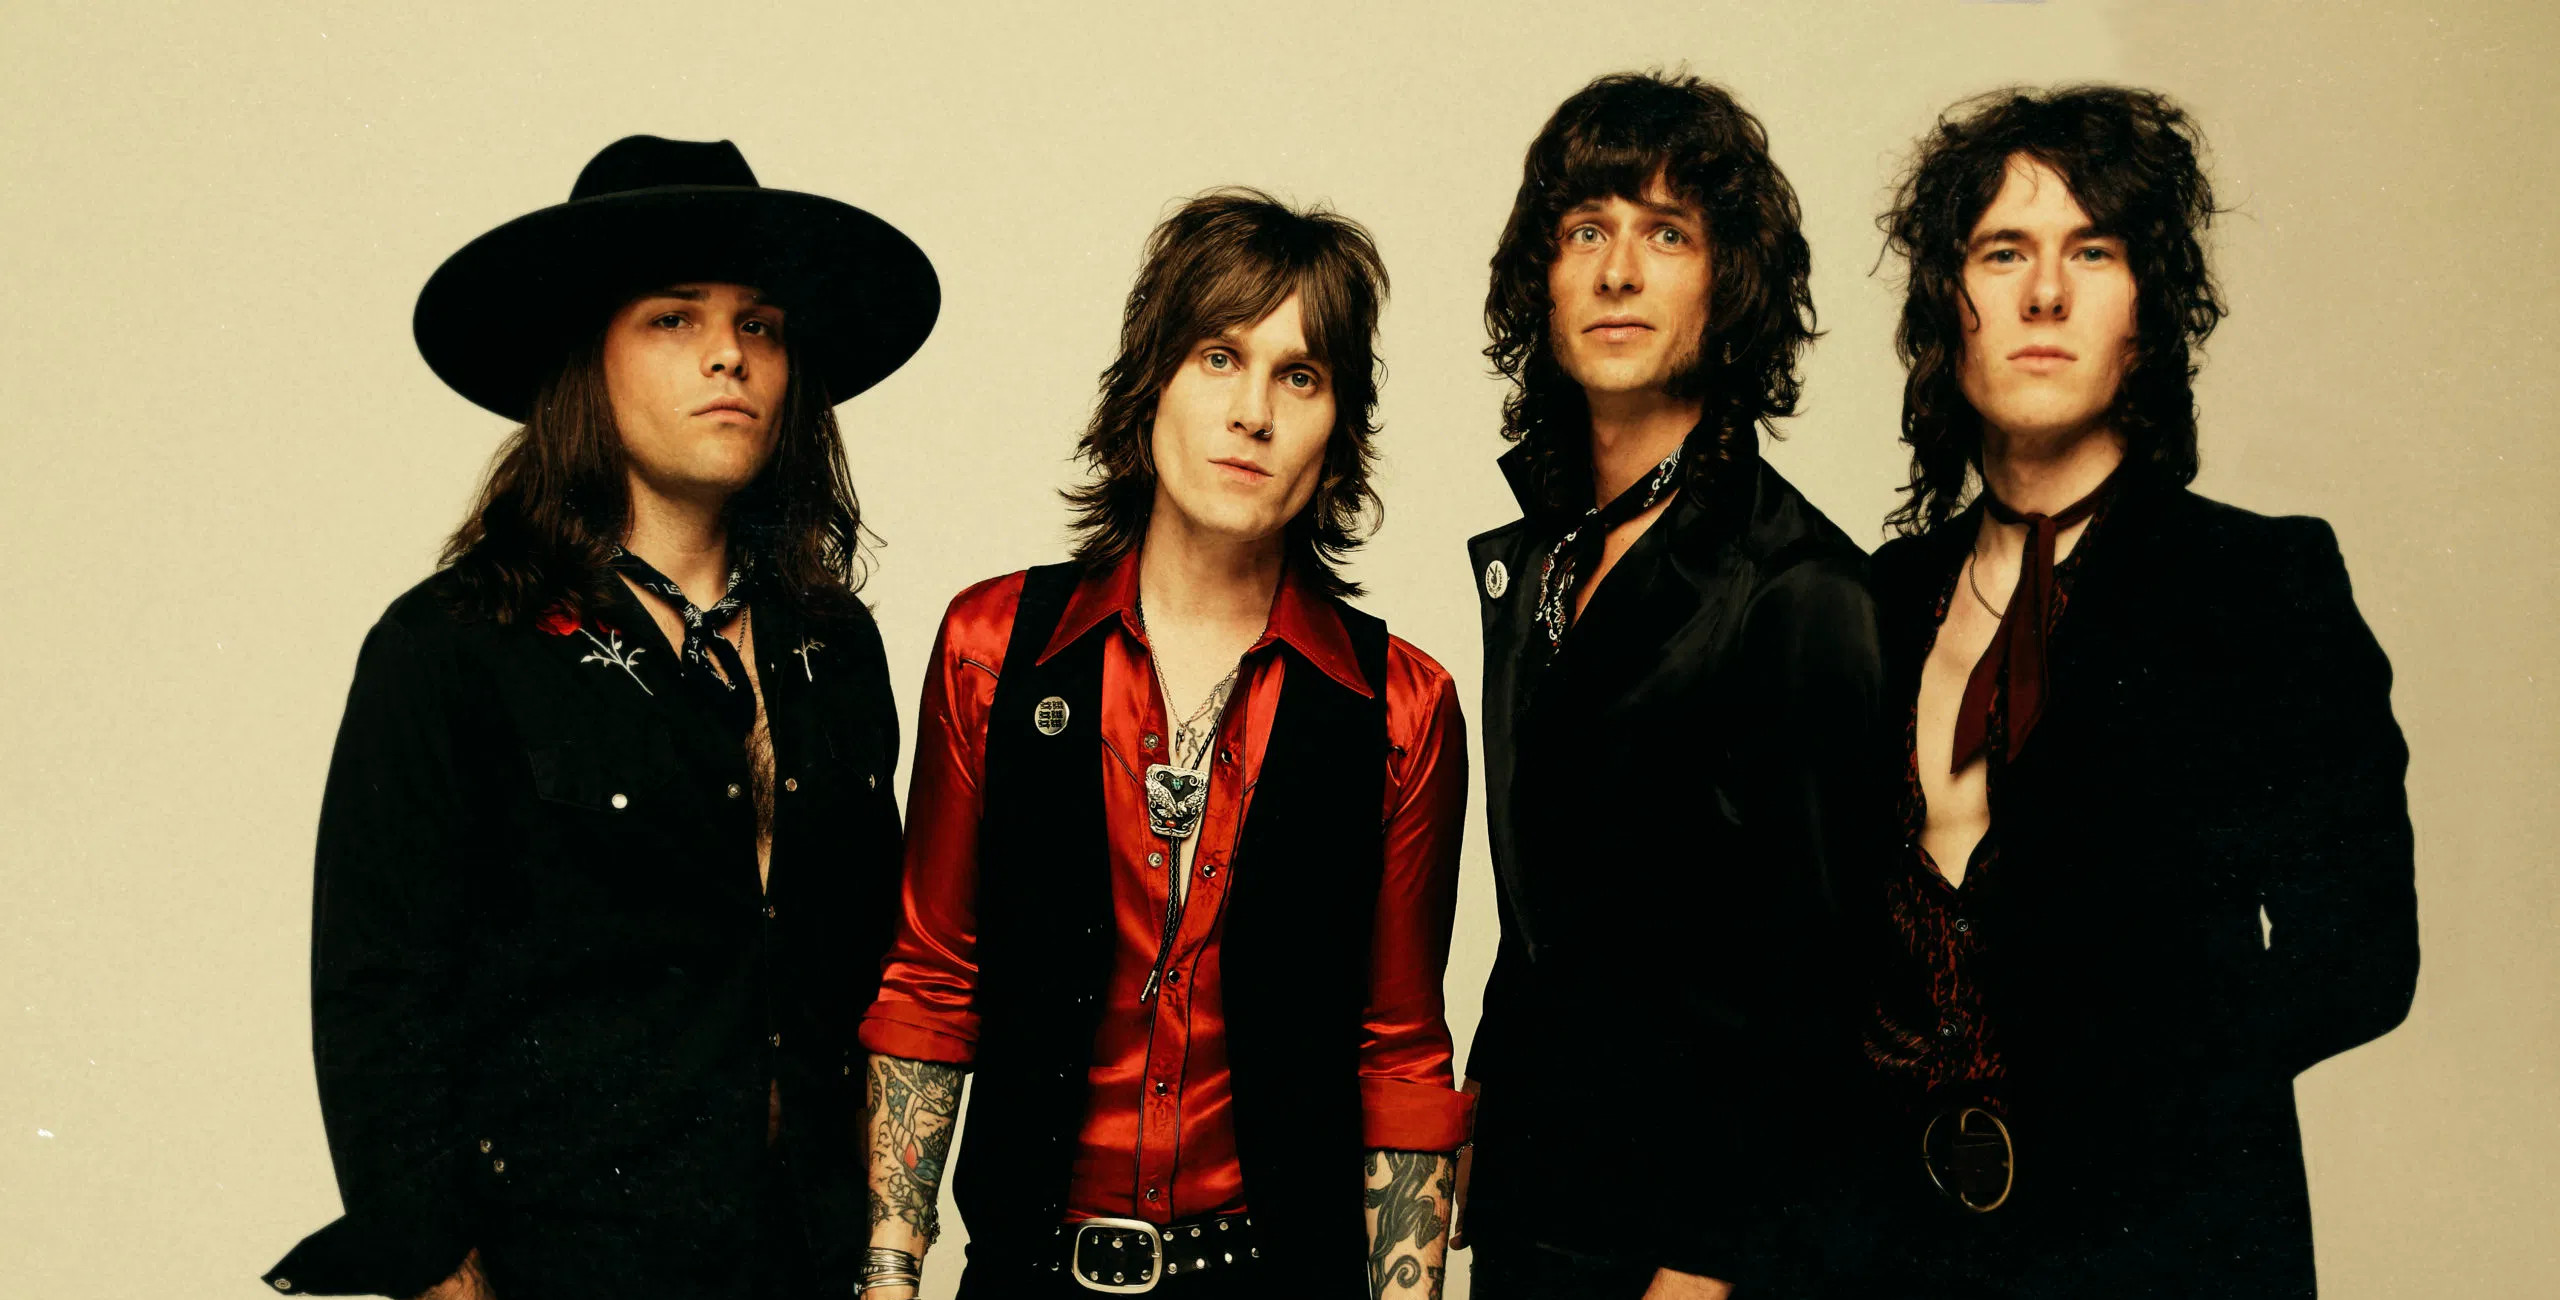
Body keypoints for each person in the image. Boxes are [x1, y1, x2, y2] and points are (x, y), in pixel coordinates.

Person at [261, 135, 939, 1299]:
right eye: (674, 318)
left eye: (761, 324)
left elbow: (880, 972)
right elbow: (375, 1002)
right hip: (560, 1264)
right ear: (588, 358)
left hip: (802, 1261)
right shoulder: (455, 645)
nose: (729, 354)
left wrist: (883, 1255)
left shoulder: (832, 647)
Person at [853, 190, 1471, 1299]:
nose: (1253, 414)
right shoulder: (992, 648)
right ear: (1150, 388)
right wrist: (892, 1275)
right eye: (1218, 358)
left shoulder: (1403, 707)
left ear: (1338, 437)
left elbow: (1402, 1055)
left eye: (1300, 376)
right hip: (1031, 1275)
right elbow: (932, 979)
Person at [1859, 85, 2419, 1298]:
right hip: (1900, 1254)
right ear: (1946, 304)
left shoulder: (2255, 582)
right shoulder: (1873, 599)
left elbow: (2362, 957)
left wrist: (2126, 1094)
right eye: (2001, 251)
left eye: (2092, 251)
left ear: (2146, 309)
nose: (2043, 294)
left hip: (2159, 1247)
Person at [1458, 71, 1886, 1299]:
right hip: (1536, 1213)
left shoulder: (1800, 589)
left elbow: (1824, 989)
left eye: (1665, 234)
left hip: (1691, 1246)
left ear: (1727, 281)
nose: (1616, 272)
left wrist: (1705, 1267)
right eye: (1584, 230)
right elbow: (1552, 914)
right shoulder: (1543, 559)